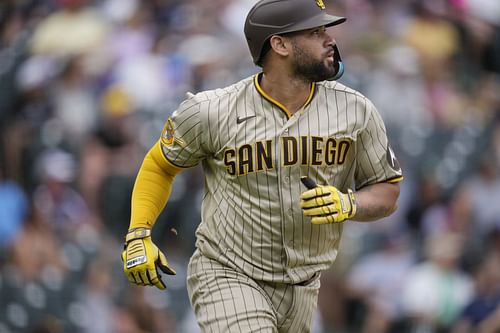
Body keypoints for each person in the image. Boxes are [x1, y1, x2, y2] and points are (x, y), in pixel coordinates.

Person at [121, 0, 403, 332]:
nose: (330, 40)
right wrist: (138, 233)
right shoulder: (212, 111)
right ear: (279, 44)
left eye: (326, 30)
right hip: (228, 273)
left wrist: (349, 203)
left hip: (304, 286)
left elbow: (387, 189)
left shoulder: (357, 111)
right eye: (315, 32)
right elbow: (159, 165)